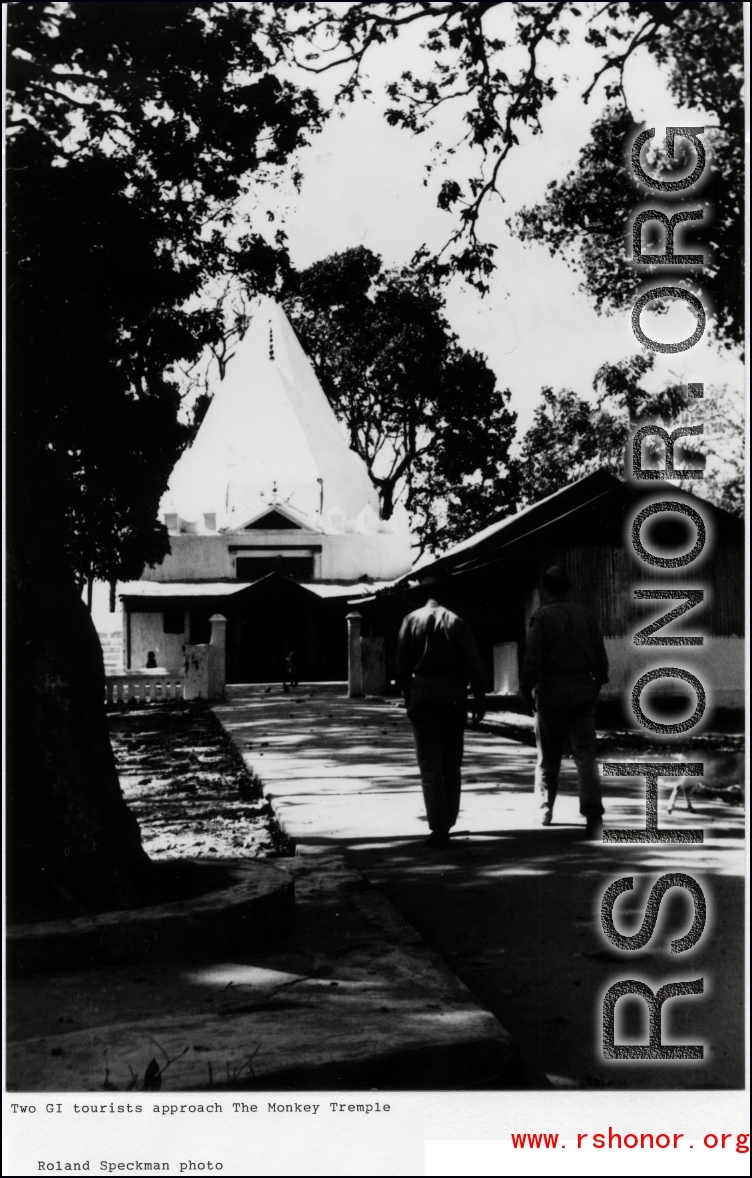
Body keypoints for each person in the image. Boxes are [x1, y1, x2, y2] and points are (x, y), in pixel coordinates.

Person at [397, 576, 486, 848]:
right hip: (453, 693)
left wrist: (408, 697)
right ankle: (449, 818)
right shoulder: (457, 621)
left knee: (430, 764)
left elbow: (402, 666)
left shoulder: (411, 620)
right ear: (447, 594)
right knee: (451, 762)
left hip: (423, 691)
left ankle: (438, 826)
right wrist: (479, 698)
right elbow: (473, 663)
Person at [521, 564, 608, 838]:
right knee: (585, 755)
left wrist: (527, 688)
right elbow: (601, 659)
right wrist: (594, 686)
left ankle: (545, 811)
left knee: (548, 756)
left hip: (551, 690)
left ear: (546, 589)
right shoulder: (587, 615)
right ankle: (593, 813)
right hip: (583, 687)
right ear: (567, 588)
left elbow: (533, 658)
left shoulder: (541, 617)